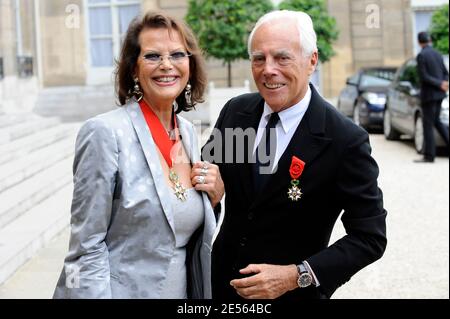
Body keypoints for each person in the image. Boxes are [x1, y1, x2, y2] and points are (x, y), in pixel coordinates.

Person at [200, 10, 387, 300]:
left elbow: (369, 238)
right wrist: (209, 195)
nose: (268, 69)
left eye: (282, 57)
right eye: (259, 58)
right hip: (220, 289)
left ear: (312, 61)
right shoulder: (236, 114)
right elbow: (209, 193)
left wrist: (296, 275)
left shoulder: (343, 140)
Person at [53, 12, 223, 299]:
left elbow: (185, 230)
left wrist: (214, 199)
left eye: (178, 55)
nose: (167, 65)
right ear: (134, 68)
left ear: (190, 66)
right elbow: (85, 248)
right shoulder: (105, 133)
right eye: (153, 56)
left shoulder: (188, 133)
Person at [413, 31, 449, 163]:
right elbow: (446, 73)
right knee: (437, 121)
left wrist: (440, 84)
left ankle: (429, 155)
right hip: (440, 94)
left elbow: (424, 77)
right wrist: (444, 83)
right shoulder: (437, 54)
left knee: (428, 124)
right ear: (429, 40)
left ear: (419, 42)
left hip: (429, 95)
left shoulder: (422, 55)